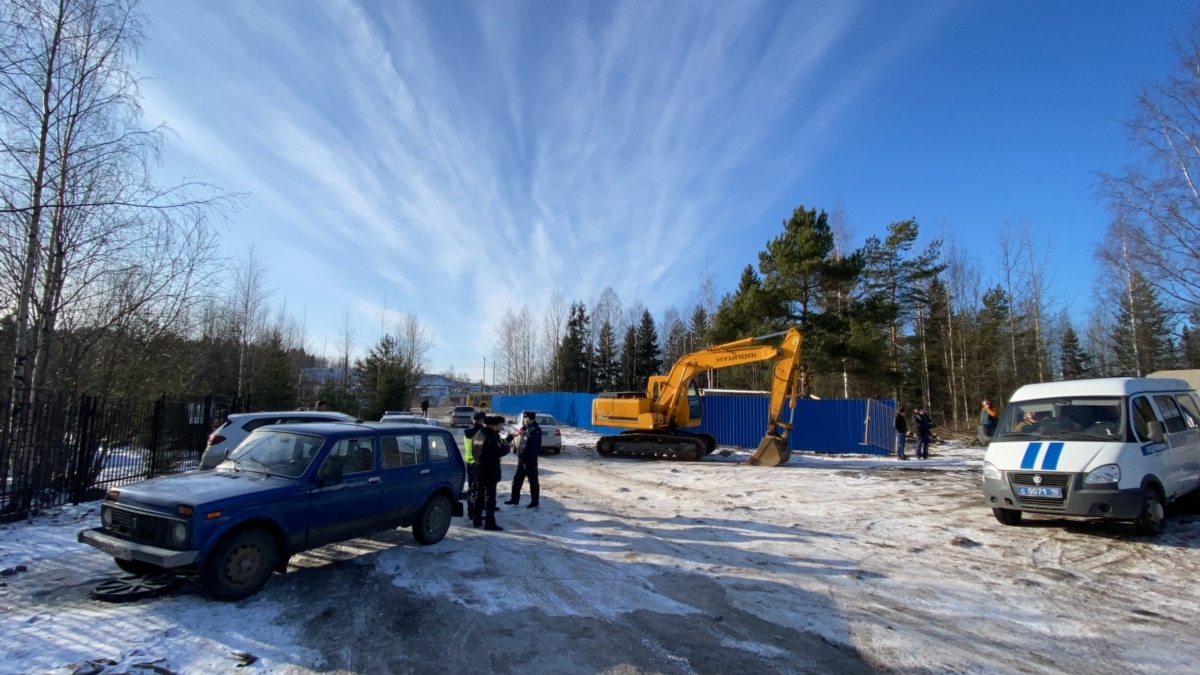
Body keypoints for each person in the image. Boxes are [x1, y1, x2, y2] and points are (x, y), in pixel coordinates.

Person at [473, 415, 511, 531]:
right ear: (494, 426)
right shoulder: (491, 438)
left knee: (479, 495)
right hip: (489, 471)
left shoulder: (478, 435)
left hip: (478, 469)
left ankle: (476, 520)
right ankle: (490, 523)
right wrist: (507, 447)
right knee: (490, 497)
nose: (501, 427)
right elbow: (498, 452)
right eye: (500, 425)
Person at [505, 410, 542, 508]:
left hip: (530, 459)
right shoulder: (525, 428)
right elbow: (520, 433)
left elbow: (532, 438)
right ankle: (514, 499)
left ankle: (535, 502)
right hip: (521, 458)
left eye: (527, 419)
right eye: (525, 419)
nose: (525, 421)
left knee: (533, 481)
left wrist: (526, 429)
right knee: (517, 480)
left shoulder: (535, 429)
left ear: (532, 419)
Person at [463, 411, 487, 522]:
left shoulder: (467, 431)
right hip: (478, 464)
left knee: (470, 489)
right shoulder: (481, 432)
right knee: (478, 489)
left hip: (468, 462)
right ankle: (476, 512)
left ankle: (470, 511)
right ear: (481, 420)